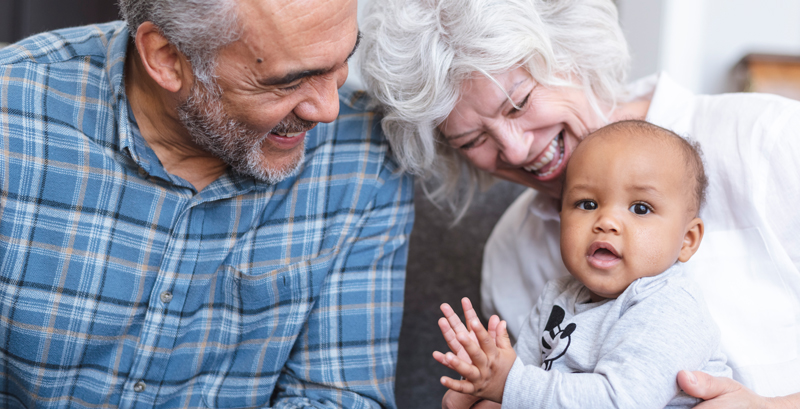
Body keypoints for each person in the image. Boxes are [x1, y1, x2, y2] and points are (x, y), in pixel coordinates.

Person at [358, 0, 800, 407]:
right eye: (473, 139)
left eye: (518, 103)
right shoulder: (510, 254)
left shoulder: (769, 140)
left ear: (572, 52)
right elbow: (531, 388)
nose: (515, 150)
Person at [0, 0, 414, 407]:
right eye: (288, 83)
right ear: (166, 58)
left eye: (342, 63)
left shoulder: (362, 155)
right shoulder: (12, 118)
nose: (327, 110)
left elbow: (336, 397)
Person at [432, 120, 731, 408]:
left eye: (640, 208)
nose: (606, 221)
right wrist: (482, 389)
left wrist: (507, 384)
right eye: (587, 204)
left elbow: (619, 402)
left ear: (687, 240)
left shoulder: (671, 306)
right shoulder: (556, 296)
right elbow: (526, 385)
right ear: (561, 217)